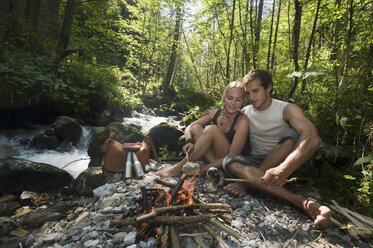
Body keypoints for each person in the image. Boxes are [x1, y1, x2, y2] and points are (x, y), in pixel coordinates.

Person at [222, 69, 331, 229]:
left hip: (288, 161)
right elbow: (224, 122)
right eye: (248, 93)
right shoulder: (246, 112)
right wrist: (194, 128)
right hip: (257, 163)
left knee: (292, 136)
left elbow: (313, 138)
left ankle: (252, 183)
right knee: (230, 161)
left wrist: (283, 170)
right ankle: (304, 203)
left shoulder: (287, 109)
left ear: (269, 88)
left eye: (256, 91)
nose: (251, 97)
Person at [156, 81, 250, 177]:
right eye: (230, 98)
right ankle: (216, 171)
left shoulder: (242, 121)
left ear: (243, 101)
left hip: (231, 164)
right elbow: (190, 127)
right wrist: (189, 141)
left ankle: (178, 168)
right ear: (224, 97)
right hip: (215, 160)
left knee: (212, 129)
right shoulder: (215, 113)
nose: (233, 103)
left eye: (238, 100)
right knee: (196, 128)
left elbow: (232, 156)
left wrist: (203, 169)